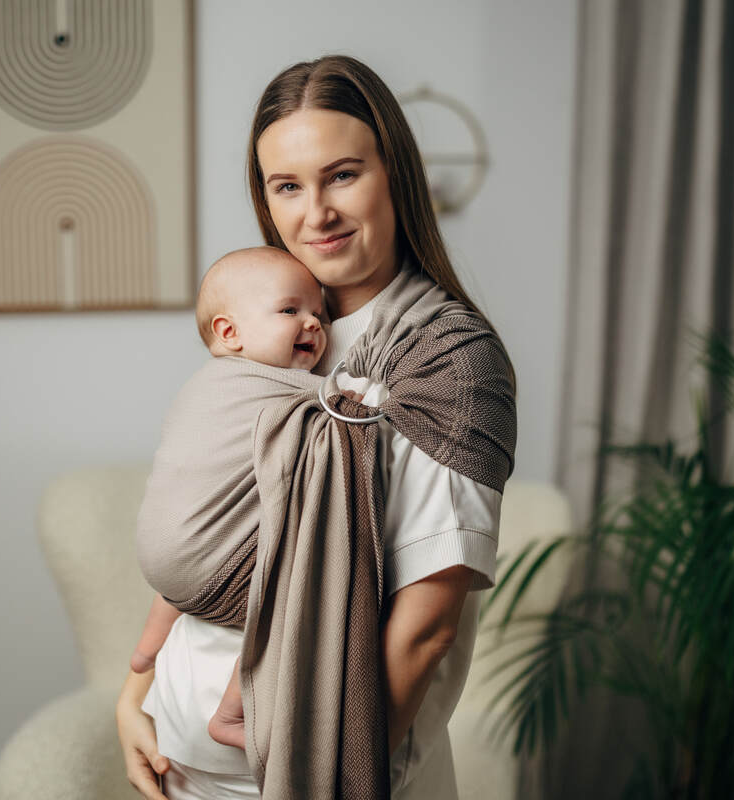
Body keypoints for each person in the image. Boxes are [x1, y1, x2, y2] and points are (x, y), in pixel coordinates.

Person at [116, 55, 516, 800]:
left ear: (394, 172)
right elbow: (220, 513)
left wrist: (321, 782)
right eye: (287, 186)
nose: (315, 213)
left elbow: (426, 629)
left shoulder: (447, 360)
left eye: (342, 175)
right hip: (187, 761)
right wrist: (135, 691)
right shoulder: (287, 334)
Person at [129, 245, 330, 751]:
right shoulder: (285, 388)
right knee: (298, 591)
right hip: (212, 568)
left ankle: (146, 652)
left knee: (193, 555)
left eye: (319, 314)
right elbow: (348, 406)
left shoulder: (202, 387)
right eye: (290, 311)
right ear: (229, 333)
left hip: (160, 561)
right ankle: (232, 713)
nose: (312, 324)